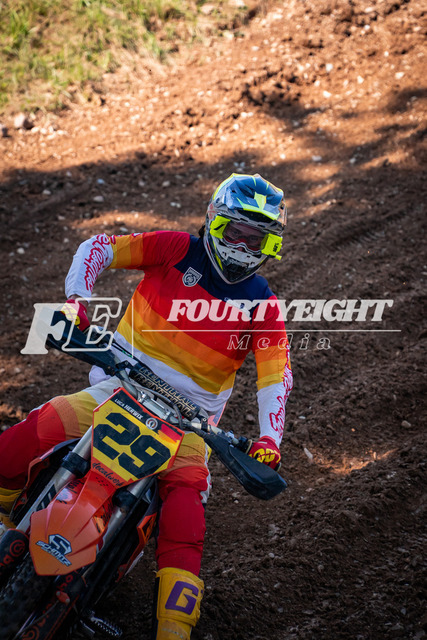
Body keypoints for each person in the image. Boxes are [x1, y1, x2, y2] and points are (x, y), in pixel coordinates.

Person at [0, 173, 293, 640]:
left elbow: (276, 374)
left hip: (190, 424)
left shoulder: (265, 305)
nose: (242, 245)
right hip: (120, 386)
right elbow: (99, 247)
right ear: (214, 222)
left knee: (186, 512)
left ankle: (173, 629)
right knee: (33, 432)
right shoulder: (175, 248)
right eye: (235, 231)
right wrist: (77, 302)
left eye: (255, 239)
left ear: (270, 245)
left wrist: (269, 440)